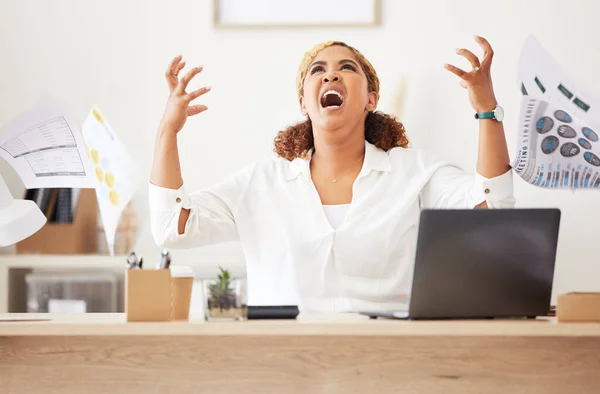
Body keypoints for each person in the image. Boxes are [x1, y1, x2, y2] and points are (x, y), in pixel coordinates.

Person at [149, 37, 515, 312]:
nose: (331, 75)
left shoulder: (415, 173)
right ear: (304, 103)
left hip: (387, 363)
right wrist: (168, 130)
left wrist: (487, 111)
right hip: (282, 366)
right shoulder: (261, 183)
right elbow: (170, 228)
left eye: (347, 67)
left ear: (371, 99)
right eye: (318, 70)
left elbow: (493, 210)